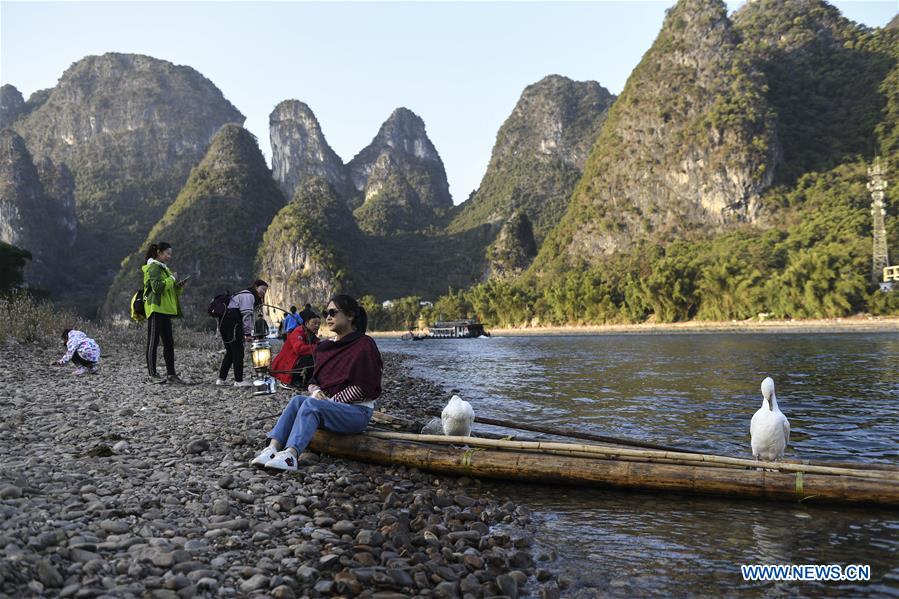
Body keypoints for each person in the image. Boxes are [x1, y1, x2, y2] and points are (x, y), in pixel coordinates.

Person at [250, 294, 382, 471]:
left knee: (312, 405)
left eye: (333, 312)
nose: (328, 317)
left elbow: (363, 388)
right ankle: (272, 448)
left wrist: (329, 402)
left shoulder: (364, 345)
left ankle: (291, 454)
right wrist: (315, 391)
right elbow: (314, 380)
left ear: (350, 315)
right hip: (332, 408)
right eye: (326, 312)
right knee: (297, 401)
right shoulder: (327, 346)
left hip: (357, 412)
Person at [143, 242, 188, 384]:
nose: (169, 256)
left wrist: (178, 286)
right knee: (153, 342)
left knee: (169, 343)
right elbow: (157, 288)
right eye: (167, 253)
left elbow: (170, 290)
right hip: (156, 308)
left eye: (170, 254)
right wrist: (172, 279)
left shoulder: (164, 269)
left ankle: (171, 374)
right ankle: (152, 374)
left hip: (165, 310)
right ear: (159, 253)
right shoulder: (154, 267)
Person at [216, 279, 268, 387]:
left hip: (224, 324)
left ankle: (221, 379)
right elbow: (247, 316)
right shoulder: (248, 296)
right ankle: (238, 381)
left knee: (230, 352)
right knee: (238, 352)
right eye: (262, 289)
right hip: (233, 325)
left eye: (265, 290)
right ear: (255, 287)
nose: (264, 292)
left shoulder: (241, 294)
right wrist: (248, 334)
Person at [271, 304, 321, 389]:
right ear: (306, 323)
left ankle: (308, 380)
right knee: (312, 358)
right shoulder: (298, 332)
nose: (317, 326)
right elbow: (300, 349)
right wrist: (319, 347)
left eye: (319, 323)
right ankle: (294, 380)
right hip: (287, 366)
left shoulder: (312, 336)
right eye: (314, 323)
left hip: (296, 362)